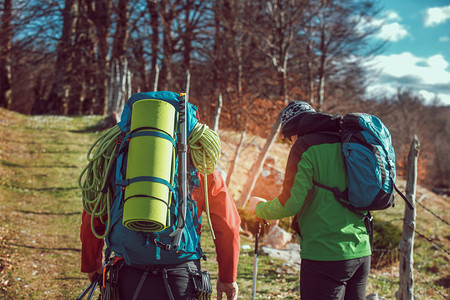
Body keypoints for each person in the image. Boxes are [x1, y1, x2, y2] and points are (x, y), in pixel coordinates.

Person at [248, 101, 372, 300]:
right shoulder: (346, 141)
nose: (291, 142)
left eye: (289, 138)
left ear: (293, 131)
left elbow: (290, 203)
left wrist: (260, 208)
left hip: (325, 255)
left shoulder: (305, 147)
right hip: (361, 251)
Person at [81, 168, 240, 300]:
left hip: (126, 275)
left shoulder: (116, 154)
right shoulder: (201, 162)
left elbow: (93, 216)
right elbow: (228, 225)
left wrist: (92, 264)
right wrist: (228, 277)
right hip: (183, 278)